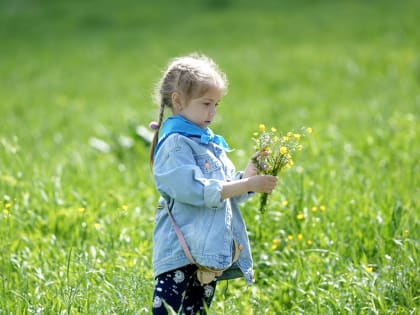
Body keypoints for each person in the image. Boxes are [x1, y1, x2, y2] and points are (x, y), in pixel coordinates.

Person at [149, 53, 278, 314]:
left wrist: (248, 176)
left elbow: (228, 192)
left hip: (207, 252)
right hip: (180, 251)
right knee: (166, 311)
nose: (213, 112)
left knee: (198, 311)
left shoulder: (209, 143)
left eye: (217, 104)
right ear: (178, 101)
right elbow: (196, 190)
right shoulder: (176, 144)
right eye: (206, 103)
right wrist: (246, 184)